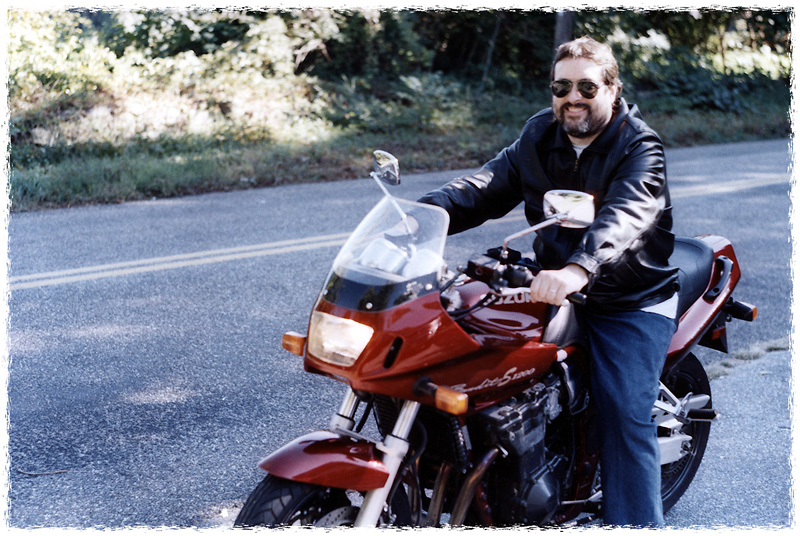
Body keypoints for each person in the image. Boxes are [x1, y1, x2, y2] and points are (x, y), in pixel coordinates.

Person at [418, 36, 679, 527]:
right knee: (476, 363)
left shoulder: (639, 144)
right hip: (553, 287)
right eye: (561, 86)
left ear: (612, 88)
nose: (572, 97)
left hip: (629, 297)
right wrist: (424, 212)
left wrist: (579, 268)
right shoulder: (539, 135)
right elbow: (484, 186)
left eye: (586, 86)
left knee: (624, 414)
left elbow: (624, 216)